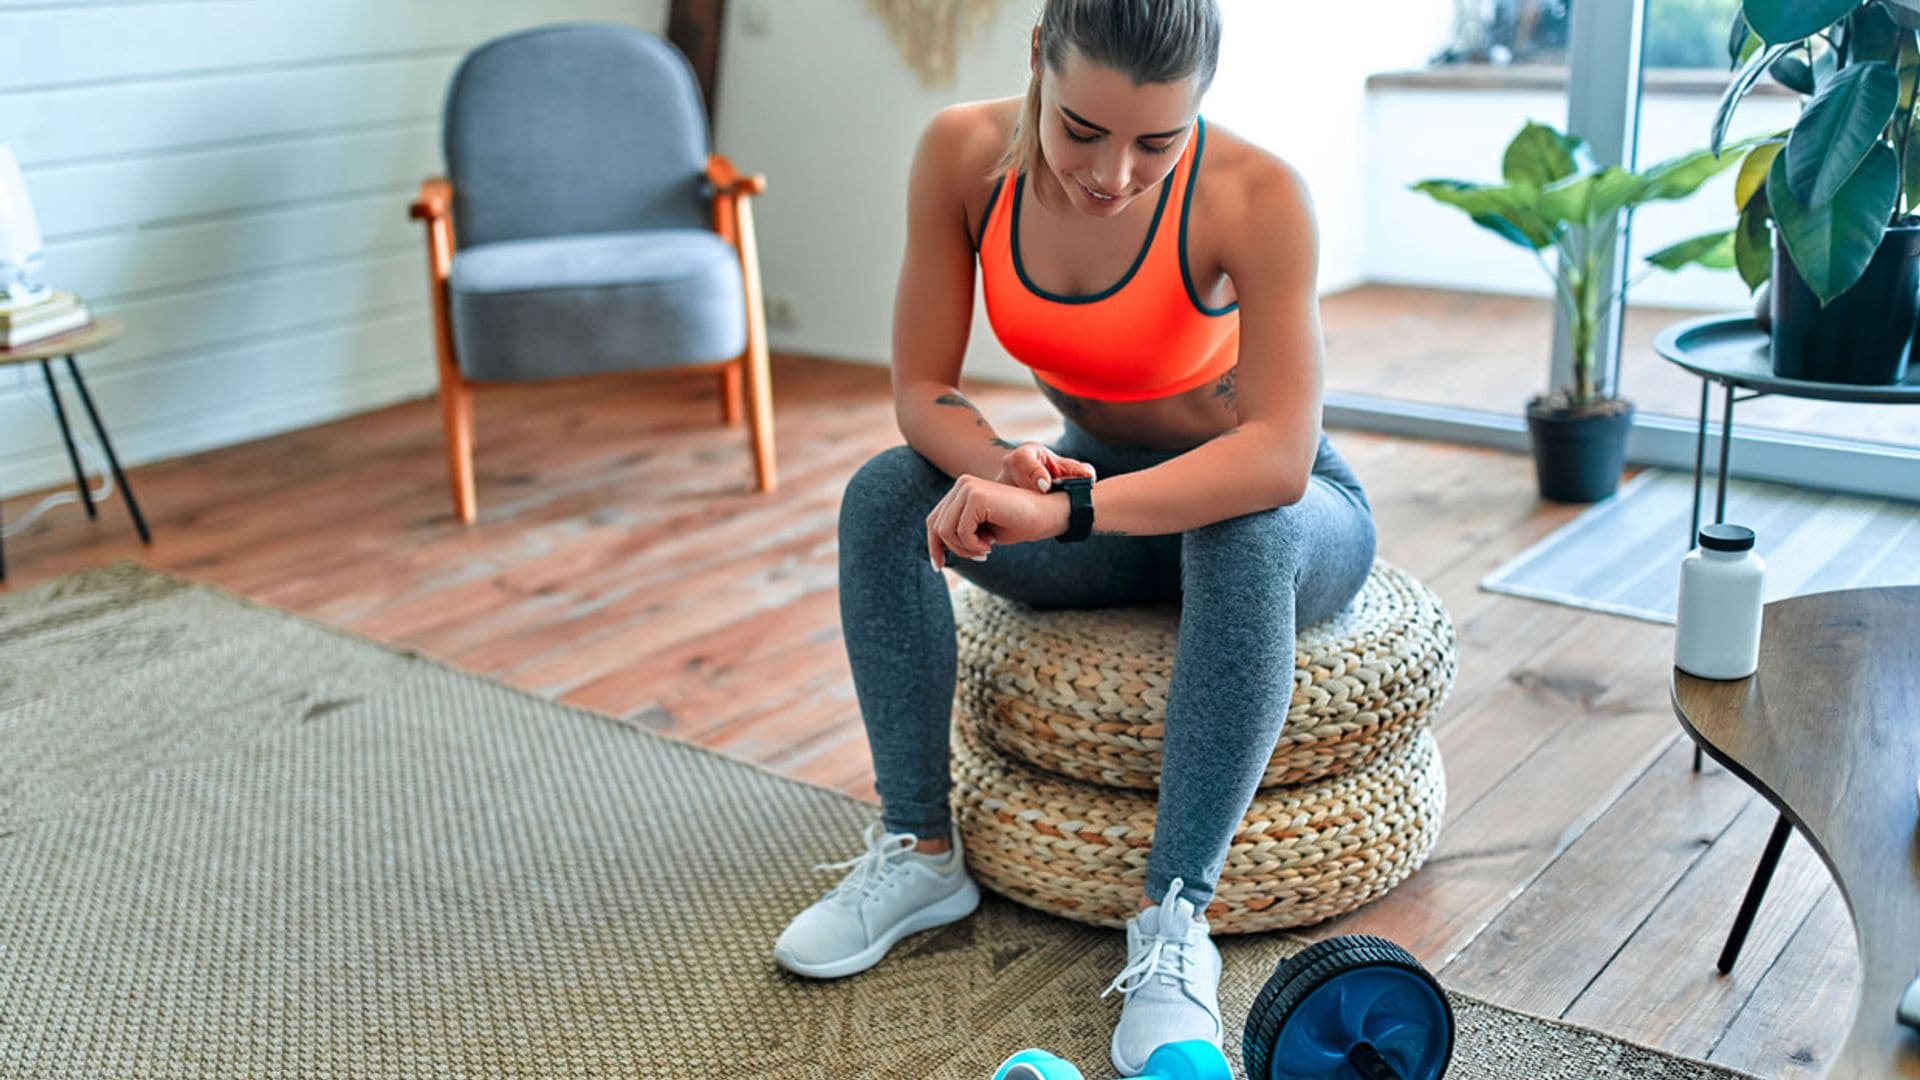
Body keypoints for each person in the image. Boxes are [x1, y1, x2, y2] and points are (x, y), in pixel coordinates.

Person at [773, 1, 1376, 1073]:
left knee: (1241, 530)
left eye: (1158, 140)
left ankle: (1174, 922)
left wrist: (1067, 511)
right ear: (1037, 61)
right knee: (883, 494)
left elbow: (1278, 456)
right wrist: (996, 465)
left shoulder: (1258, 195)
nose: (1114, 173)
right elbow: (922, 387)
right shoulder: (962, 155)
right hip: (1094, 490)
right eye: (1084, 129)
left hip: (1279, 518)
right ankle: (917, 851)